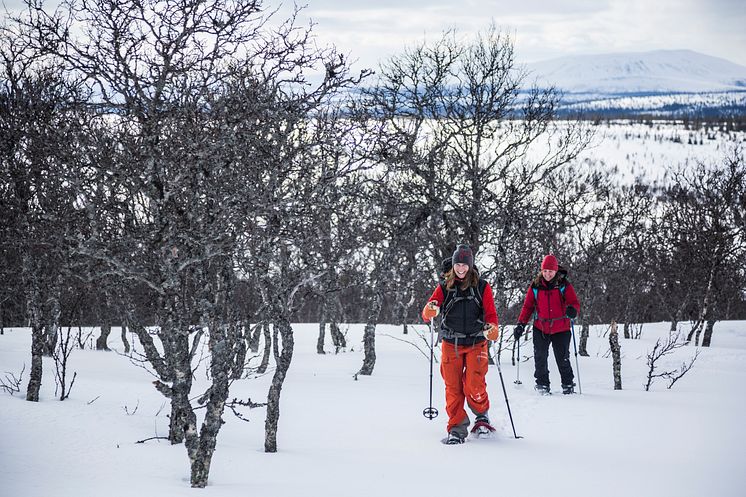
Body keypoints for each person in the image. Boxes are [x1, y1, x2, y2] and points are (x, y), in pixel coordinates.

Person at [422, 244, 499, 444]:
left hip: (476, 341)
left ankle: (481, 416)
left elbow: (491, 314)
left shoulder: (482, 287)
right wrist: (430, 310)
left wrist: (492, 328)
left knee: (474, 384)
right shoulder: (444, 286)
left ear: (470, 266)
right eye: (458, 264)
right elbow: (428, 310)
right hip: (451, 342)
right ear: (454, 265)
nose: (461, 269)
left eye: (465, 265)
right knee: (453, 387)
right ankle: (456, 427)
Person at [514, 254, 580, 395]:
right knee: (540, 358)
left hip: (561, 328)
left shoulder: (563, 285)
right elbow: (527, 307)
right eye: (545, 271)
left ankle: (568, 384)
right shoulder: (536, 286)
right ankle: (542, 384)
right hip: (541, 327)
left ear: (555, 271)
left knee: (562, 358)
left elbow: (574, 303)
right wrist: (521, 324)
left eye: (550, 271)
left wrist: (572, 311)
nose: (547, 274)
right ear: (541, 271)